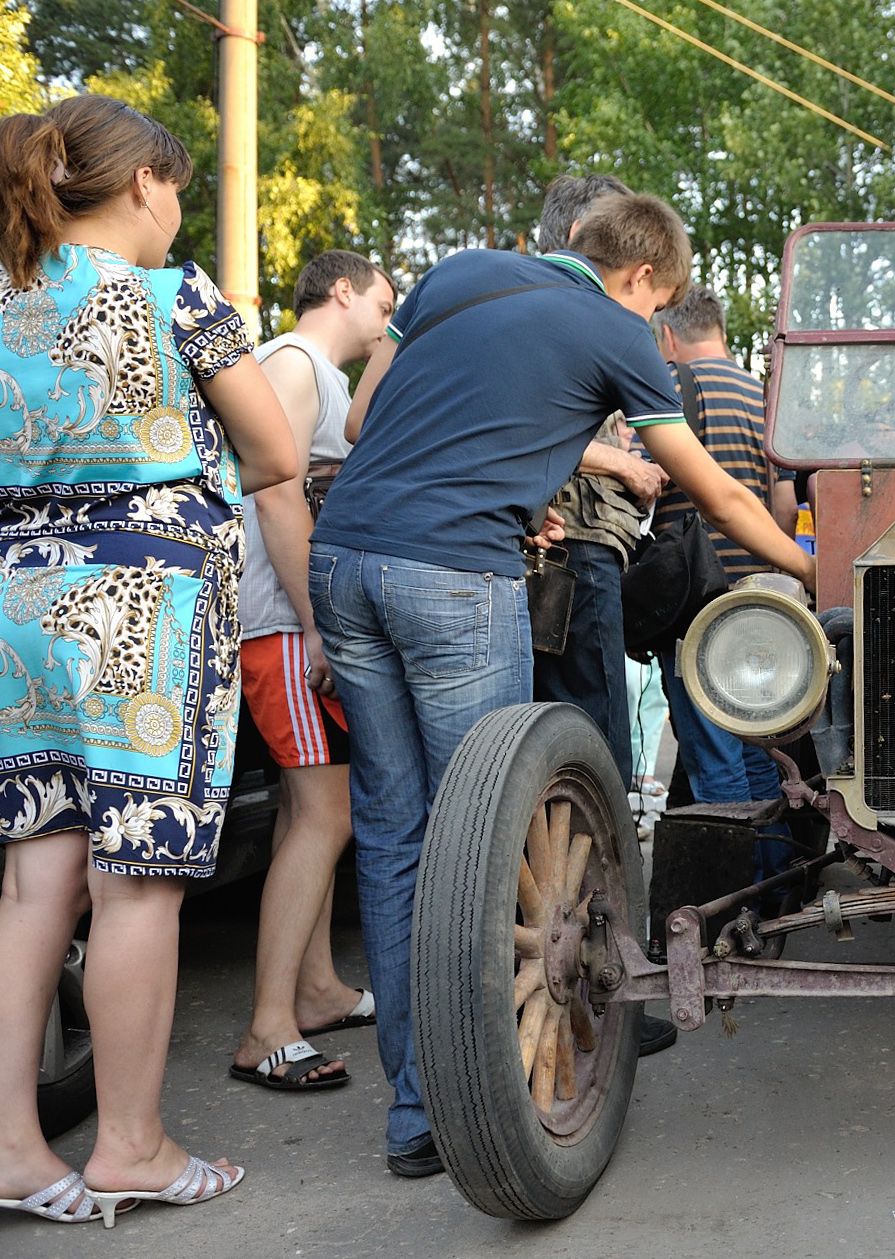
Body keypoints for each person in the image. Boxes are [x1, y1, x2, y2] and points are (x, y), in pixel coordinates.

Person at [311, 191, 815, 1179]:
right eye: (655, 305)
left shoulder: (456, 271)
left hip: (345, 559)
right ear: (639, 280)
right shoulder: (614, 330)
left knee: (398, 829)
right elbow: (712, 488)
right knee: (487, 846)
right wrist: (812, 572)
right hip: (453, 574)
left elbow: (368, 417)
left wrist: (513, 485)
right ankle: (490, 1097)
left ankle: (415, 1107)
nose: (651, 325)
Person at [0, 95, 298, 1225]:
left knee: (35, 879)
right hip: (145, 596)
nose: (177, 209)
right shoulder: (178, 297)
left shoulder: (4, 297)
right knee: (139, 879)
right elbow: (273, 453)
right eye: (175, 186)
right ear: (140, 185)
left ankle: (15, 1149)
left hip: (15, 596)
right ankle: (129, 1143)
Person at [228, 250, 395, 1093]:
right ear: (342, 291)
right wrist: (317, 620)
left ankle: (319, 988)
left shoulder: (313, 373)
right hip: (284, 626)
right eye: (382, 302)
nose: (387, 320)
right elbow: (276, 496)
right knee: (324, 818)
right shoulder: (292, 363)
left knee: (311, 816)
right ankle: (267, 1027)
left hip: (291, 623)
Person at [650, 287, 798, 882]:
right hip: (761, 606)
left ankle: (737, 912)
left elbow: (647, 480)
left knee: (716, 769)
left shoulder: (670, 387)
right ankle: (780, 889)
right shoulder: (768, 396)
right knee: (760, 761)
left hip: (695, 610)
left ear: (668, 335)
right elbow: (786, 505)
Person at [530, 174, 668, 802]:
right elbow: (531, 427)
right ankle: (609, 892)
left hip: (574, 541)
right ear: (583, 234)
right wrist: (625, 465)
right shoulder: (561, 310)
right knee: (597, 725)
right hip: (570, 545)